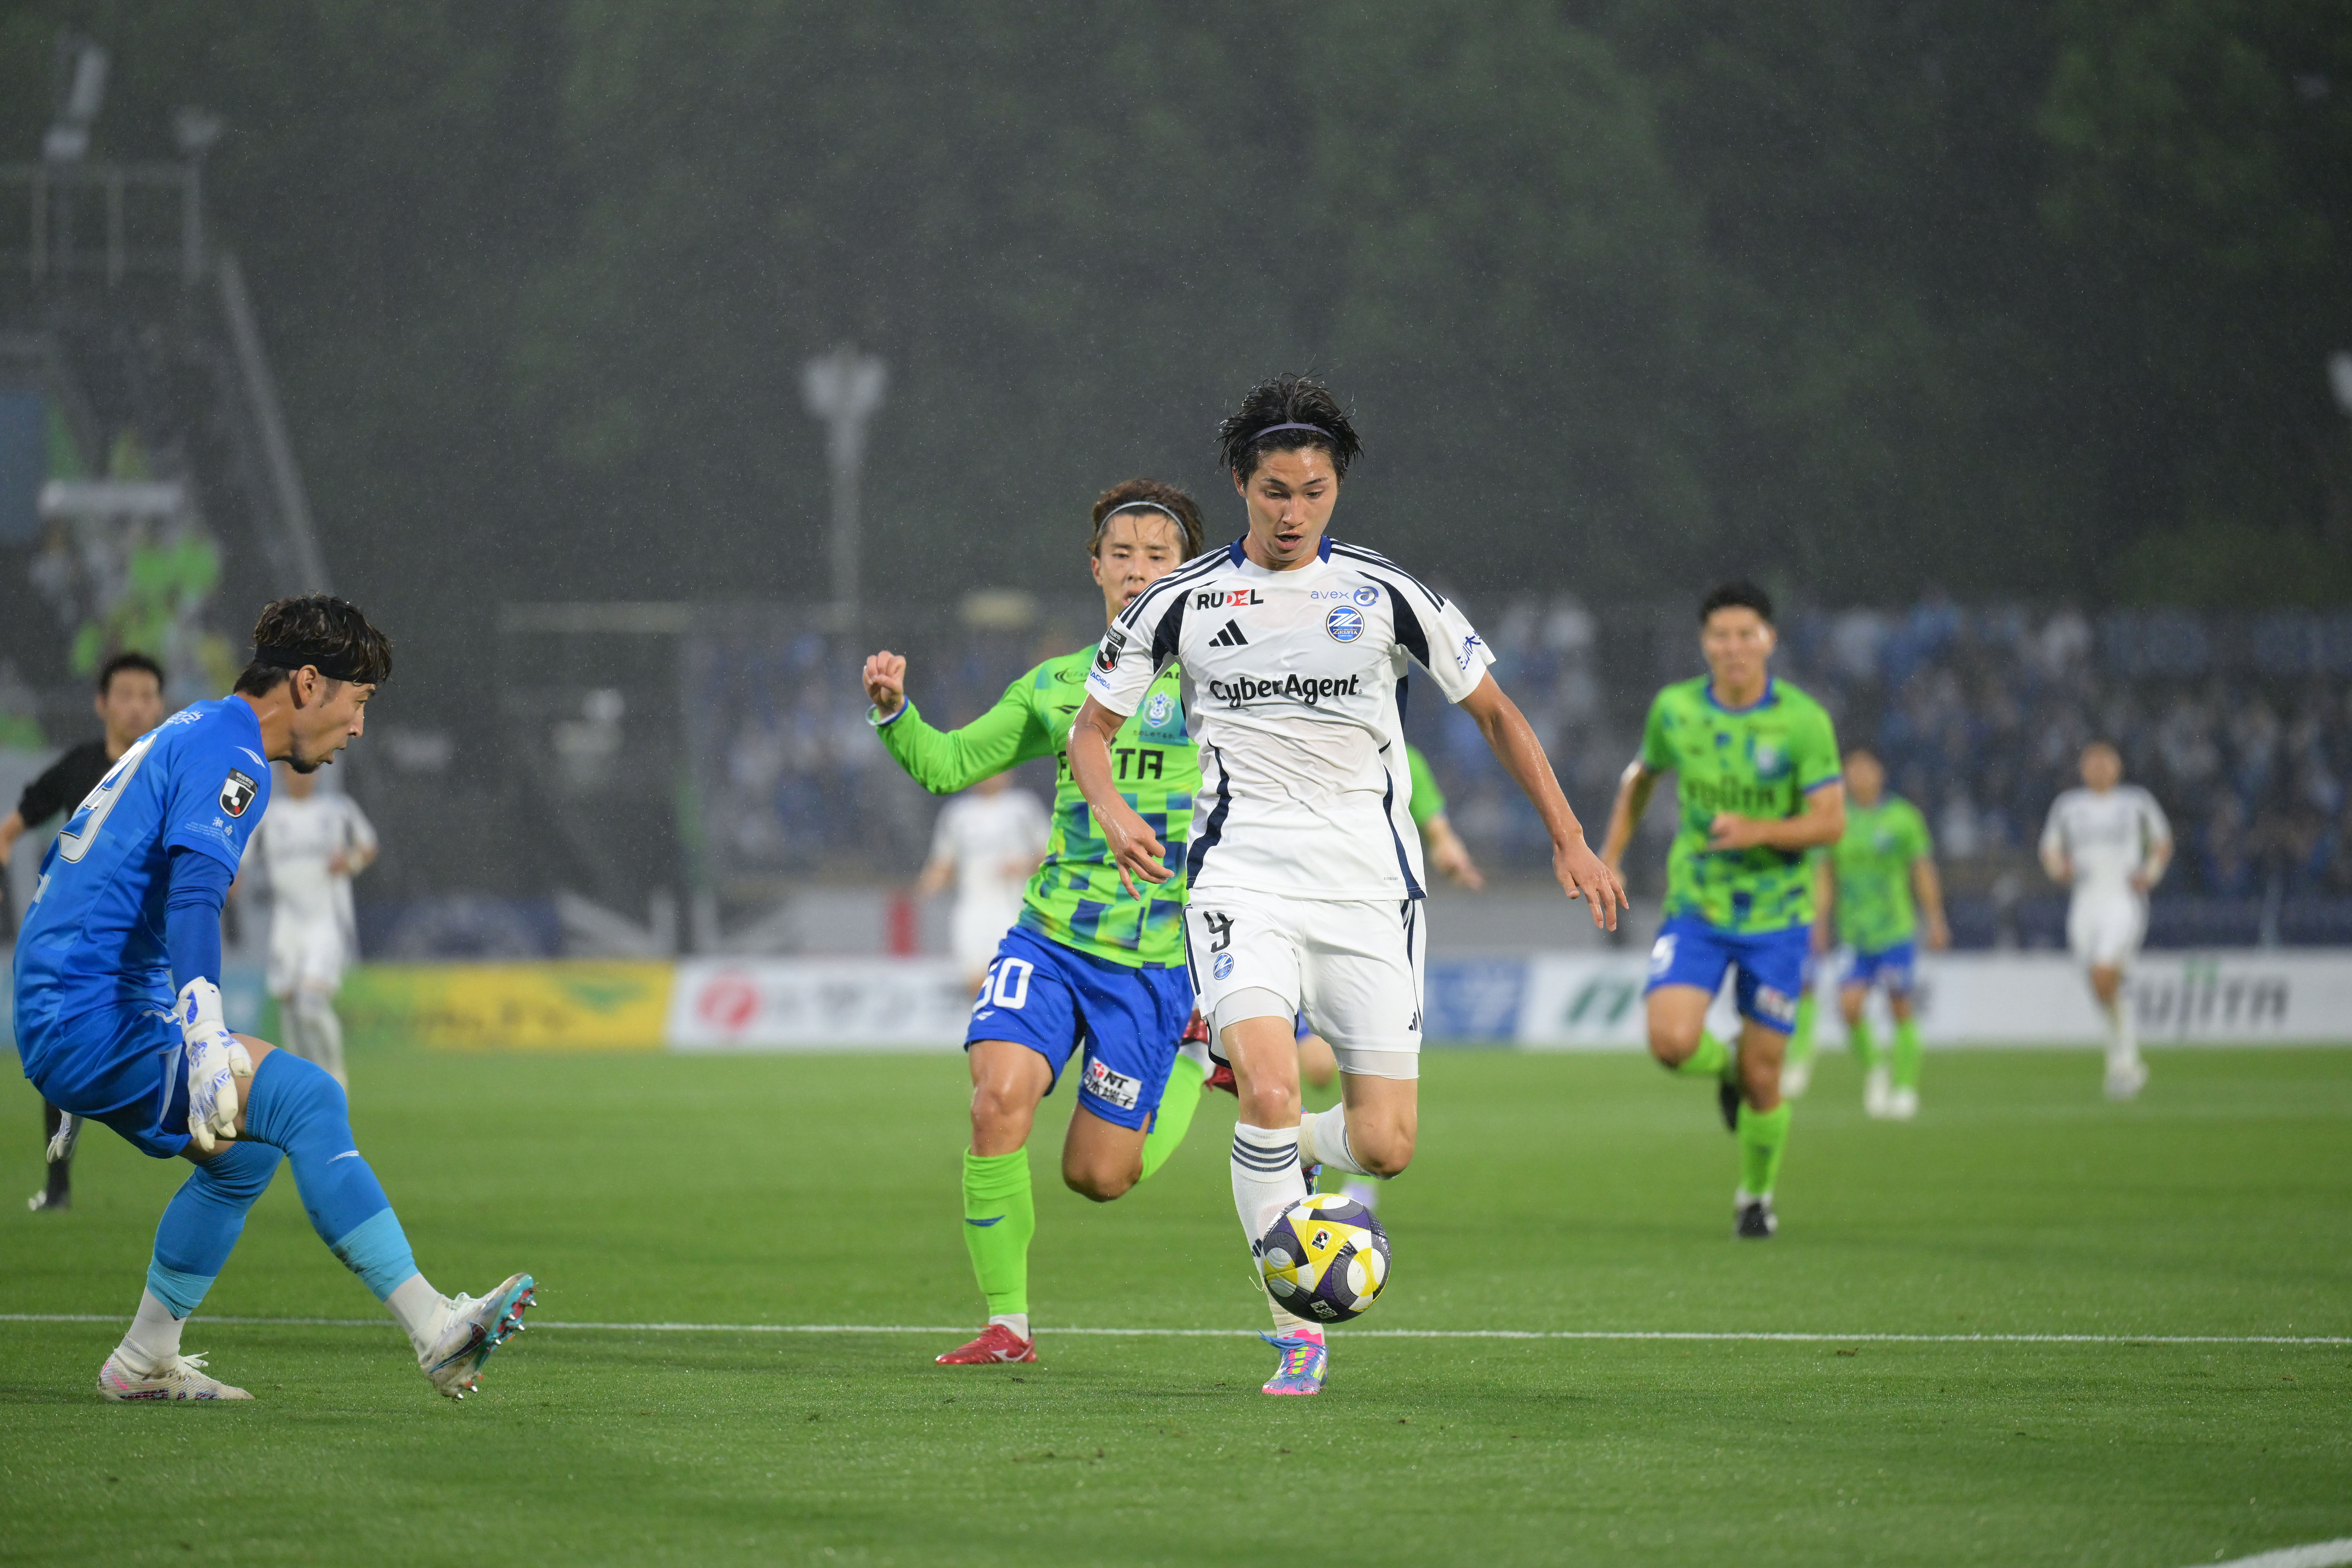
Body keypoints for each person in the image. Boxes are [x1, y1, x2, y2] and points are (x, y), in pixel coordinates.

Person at [1073, 375, 1625, 1396]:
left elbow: (1496, 712)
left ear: (1337, 489)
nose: (1294, 513)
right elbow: (1091, 732)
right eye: (1275, 491)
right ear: (1240, 484)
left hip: (1371, 890)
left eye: (1314, 492)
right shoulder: (1178, 601)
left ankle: (1278, 1149)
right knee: (1271, 1084)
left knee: (1385, 1143)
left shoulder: (1383, 592)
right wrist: (1110, 810)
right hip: (1241, 878)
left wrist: (1571, 840)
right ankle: (1297, 1329)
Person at [11, 596, 533, 1402]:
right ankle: (435, 1326)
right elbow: (193, 899)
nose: (359, 728)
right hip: (90, 1012)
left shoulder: (199, 728)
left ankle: (144, 1360)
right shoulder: (236, 756)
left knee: (242, 1157)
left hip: (79, 1002)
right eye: (358, 701)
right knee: (309, 1099)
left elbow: (90, 866)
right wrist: (203, 1035)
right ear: (309, 684)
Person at [862, 479, 1218, 1368]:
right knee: (995, 1101)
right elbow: (949, 765)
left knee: (1097, 1176)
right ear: (1095, 568)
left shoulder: (1222, 682)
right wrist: (896, 714)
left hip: (1152, 960)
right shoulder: (1058, 685)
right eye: (1121, 554)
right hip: (1051, 938)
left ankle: (1190, 1060)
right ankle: (1007, 1327)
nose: (1137, 570)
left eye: (1158, 556)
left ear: (1188, 572)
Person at [1599, 582, 1844, 1240]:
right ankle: (1726, 1066)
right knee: (1671, 1043)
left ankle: (1755, 1198)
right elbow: (1641, 778)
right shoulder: (1675, 709)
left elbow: (1830, 823)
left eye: (1746, 634)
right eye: (1720, 636)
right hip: (1697, 907)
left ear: (1769, 640)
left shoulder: (1802, 721)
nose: (1733, 647)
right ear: (1704, 643)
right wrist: (1610, 855)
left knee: (1766, 1079)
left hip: (1778, 918)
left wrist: (1759, 830)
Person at [2, 650, 168, 1212]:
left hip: (146, 946)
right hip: (81, 945)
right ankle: (59, 1187)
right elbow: (12, 828)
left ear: (160, 705)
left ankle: (207, 1162)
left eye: (147, 695)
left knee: (166, 1048)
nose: (137, 706)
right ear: (102, 705)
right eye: (126, 695)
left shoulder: (169, 768)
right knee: (61, 1051)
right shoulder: (79, 768)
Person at [1296, 742, 1482, 1208]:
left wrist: (1447, 849)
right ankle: (1282, 1149)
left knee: (1346, 1080)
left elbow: (1435, 824)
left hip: (1369, 922)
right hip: (1289, 910)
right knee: (1313, 1069)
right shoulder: (1290, 736)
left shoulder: (1403, 757)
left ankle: (1342, 1170)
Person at [1783, 748, 1948, 1118]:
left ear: (1881, 773)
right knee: (1849, 1007)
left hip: (1895, 931)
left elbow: (1922, 870)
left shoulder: (1903, 818)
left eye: (1866, 769)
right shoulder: (1836, 821)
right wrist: (1819, 924)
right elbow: (1824, 875)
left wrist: (1936, 919)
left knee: (1900, 1007)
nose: (1859, 776)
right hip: (1855, 935)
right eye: (1852, 770)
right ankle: (1877, 1067)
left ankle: (1905, 1088)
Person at [2039, 741, 2171, 1101]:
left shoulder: (2136, 802)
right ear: (2083, 769)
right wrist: (2059, 870)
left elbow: (2162, 842)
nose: (2099, 769)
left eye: (2105, 763)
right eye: (2092, 764)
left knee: (2103, 973)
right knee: (2101, 986)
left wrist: (2150, 874)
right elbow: (2050, 849)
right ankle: (2124, 1059)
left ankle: (2124, 1058)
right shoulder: (2068, 806)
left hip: (2122, 900)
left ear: (2118, 767)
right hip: (2085, 903)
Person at [239, 761, 379, 1087]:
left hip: (324, 920)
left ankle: (335, 1078)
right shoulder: (270, 815)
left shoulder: (338, 810)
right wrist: (231, 879)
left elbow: (368, 846)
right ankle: (303, 1085)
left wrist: (352, 861)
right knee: (290, 1006)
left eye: (307, 770)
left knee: (311, 1003)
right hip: (287, 923)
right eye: (292, 770)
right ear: (283, 774)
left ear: (317, 772)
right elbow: (242, 858)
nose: (300, 775)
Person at [914, 770, 1049, 993]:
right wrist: (926, 888)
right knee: (976, 981)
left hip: (1015, 906)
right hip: (973, 908)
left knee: (1012, 981)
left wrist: (1024, 866)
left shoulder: (1023, 807)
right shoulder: (958, 813)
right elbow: (943, 862)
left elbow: (1049, 854)